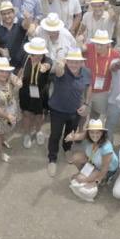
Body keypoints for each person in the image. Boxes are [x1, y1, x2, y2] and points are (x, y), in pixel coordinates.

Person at [46, 48, 91, 176]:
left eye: (77, 62)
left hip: (75, 111)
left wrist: (86, 103)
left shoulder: (86, 72)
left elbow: (89, 86)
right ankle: (52, 159)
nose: (74, 65)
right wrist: (59, 63)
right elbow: (58, 72)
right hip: (57, 110)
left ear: (81, 62)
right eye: (71, 61)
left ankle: (67, 149)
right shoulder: (61, 70)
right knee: (55, 135)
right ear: (67, 62)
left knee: (70, 133)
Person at [64, 119, 119, 202]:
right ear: (88, 133)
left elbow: (104, 168)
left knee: (79, 178)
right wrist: (72, 137)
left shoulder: (106, 148)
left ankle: (103, 179)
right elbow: (78, 136)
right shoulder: (88, 136)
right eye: (92, 132)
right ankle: (86, 174)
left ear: (102, 133)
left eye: (98, 132)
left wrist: (96, 181)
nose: (94, 135)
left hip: (104, 169)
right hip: (93, 161)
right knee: (75, 158)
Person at [18, 37, 52, 149]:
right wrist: (18, 78)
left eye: (40, 54)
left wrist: (44, 67)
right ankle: (27, 134)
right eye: (35, 53)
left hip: (40, 93)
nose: (37, 56)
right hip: (25, 92)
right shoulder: (25, 58)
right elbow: (20, 72)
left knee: (39, 115)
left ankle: (38, 131)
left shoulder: (47, 60)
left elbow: (48, 65)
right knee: (26, 114)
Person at [0, 57, 21, 163]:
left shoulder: (8, 81)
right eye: (1, 71)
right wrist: (7, 116)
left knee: (5, 129)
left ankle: (3, 140)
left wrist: (18, 84)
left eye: (6, 71)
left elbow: (16, 86)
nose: (4, 74)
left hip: (8, 113)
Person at [83, 29, 119, 119]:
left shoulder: (115, 55)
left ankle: (91, 130)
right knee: (82, 114)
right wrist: (79, 42)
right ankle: (81, 131)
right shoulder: (90, 47)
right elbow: (79, 48)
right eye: (96, 44)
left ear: (108, 44)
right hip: (86, 88)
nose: (98, 47)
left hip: (102, 91)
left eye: (101, 44)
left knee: (96, 115)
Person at [0, 0, 29, 72]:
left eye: (9, 13)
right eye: (4, 14)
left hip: (20, 66)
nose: (7, 16)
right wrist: (0, 50)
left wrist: (27, 18)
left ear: (13, 13)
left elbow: (26, 26)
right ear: (1, 15)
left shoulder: (20, 22)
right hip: (3, 66)